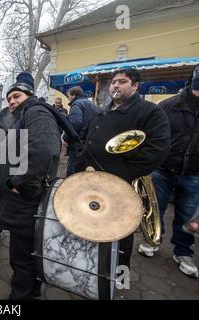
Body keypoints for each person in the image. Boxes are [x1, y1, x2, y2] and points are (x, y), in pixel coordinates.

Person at [0, 72, 62, 299]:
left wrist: (19, 183)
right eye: (9, 98)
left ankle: (20, 296)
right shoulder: (25, 113)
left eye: (16, 96)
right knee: (26, 254)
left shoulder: (36, 112)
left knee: (21, 257)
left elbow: (43, 150)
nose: (12, 101)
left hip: (26, 199)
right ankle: (31, 291)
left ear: (29, 95)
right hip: (22, 199)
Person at [84, 68, 170, 270]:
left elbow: (158, 149)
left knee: (121, 232)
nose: (115, 85)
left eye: (122, 82)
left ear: (135, 86)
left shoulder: (150, 111)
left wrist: (124, 173)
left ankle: (120, 277)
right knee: (93, 223)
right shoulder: (103, 110)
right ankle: (94, 270)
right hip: (93, 180)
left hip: (122, 183)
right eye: (113, 82)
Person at [138, 66, 199, 278]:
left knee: (186, 215)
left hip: (194, 173)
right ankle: (152, 239)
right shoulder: (168, 106)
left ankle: (183, 252)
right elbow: (150, 135)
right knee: (155, 208)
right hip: (162, 169)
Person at [64, 86, 97, 176]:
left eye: (69, 96)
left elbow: (74, 124)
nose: (68, 98)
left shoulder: (77, 104)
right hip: (89, 141)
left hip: (77, 143)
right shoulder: (90, 103)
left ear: (74, 95)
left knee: (73, 170)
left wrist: (65, 138)